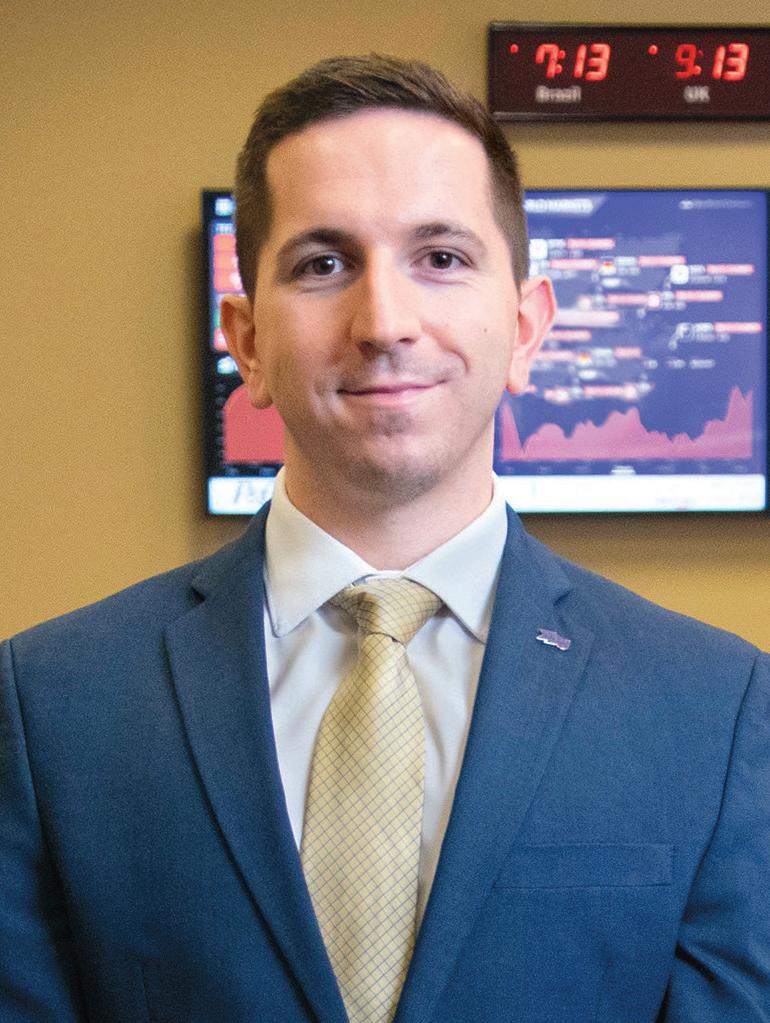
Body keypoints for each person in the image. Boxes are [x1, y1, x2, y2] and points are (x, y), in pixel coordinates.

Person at [1, 54, 768, 1023]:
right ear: (246, 341)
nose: (384, 322)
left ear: (526, 328)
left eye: (440, 258)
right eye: (323, 264)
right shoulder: (49, 705)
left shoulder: (714, 708)